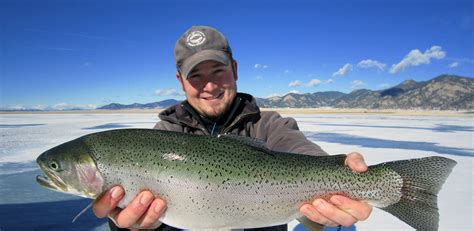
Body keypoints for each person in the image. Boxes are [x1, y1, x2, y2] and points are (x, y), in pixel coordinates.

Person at [93, 26, 372, 231]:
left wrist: (339, 171)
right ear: (181, 81)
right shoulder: (163, 137)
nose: (210, 86)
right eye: (196, 76)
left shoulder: (268, 125)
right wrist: (127, 225)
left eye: (218, 71)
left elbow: (299, 149)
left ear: (235, 70)